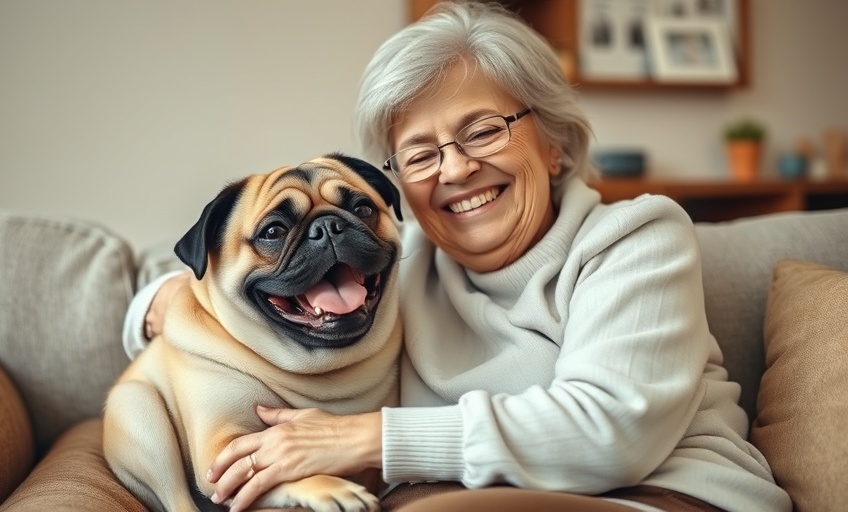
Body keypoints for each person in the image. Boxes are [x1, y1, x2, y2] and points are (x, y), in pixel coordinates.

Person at [123, 3, 790, 511]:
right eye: (421, 154)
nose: (458, 169)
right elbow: (209, 277)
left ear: (553, 143)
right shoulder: (393, 263)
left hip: (662, 496)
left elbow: (613, 430)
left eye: (484, 130)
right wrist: (160, 301)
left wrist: (365, 439)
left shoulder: (636, 241)